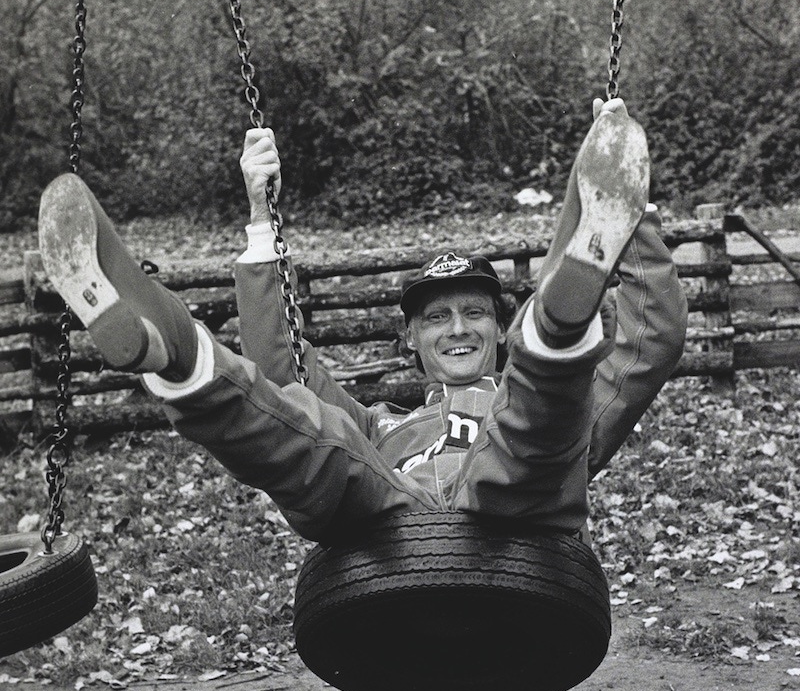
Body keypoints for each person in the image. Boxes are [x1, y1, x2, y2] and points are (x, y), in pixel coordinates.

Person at [38, 98, 687, 547]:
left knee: (540, 425)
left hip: (520, 515)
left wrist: (630, 208)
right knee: (314, 445)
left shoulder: (528, 411)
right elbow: (280, 371)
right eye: (437, 318)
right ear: (410, 340)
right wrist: (260, 217)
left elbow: (647, 344)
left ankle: (561, 326)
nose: (458, 329)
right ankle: (175, 357)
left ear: (497, 327)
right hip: (387, 523)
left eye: (474, 313)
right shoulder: (382, 424)